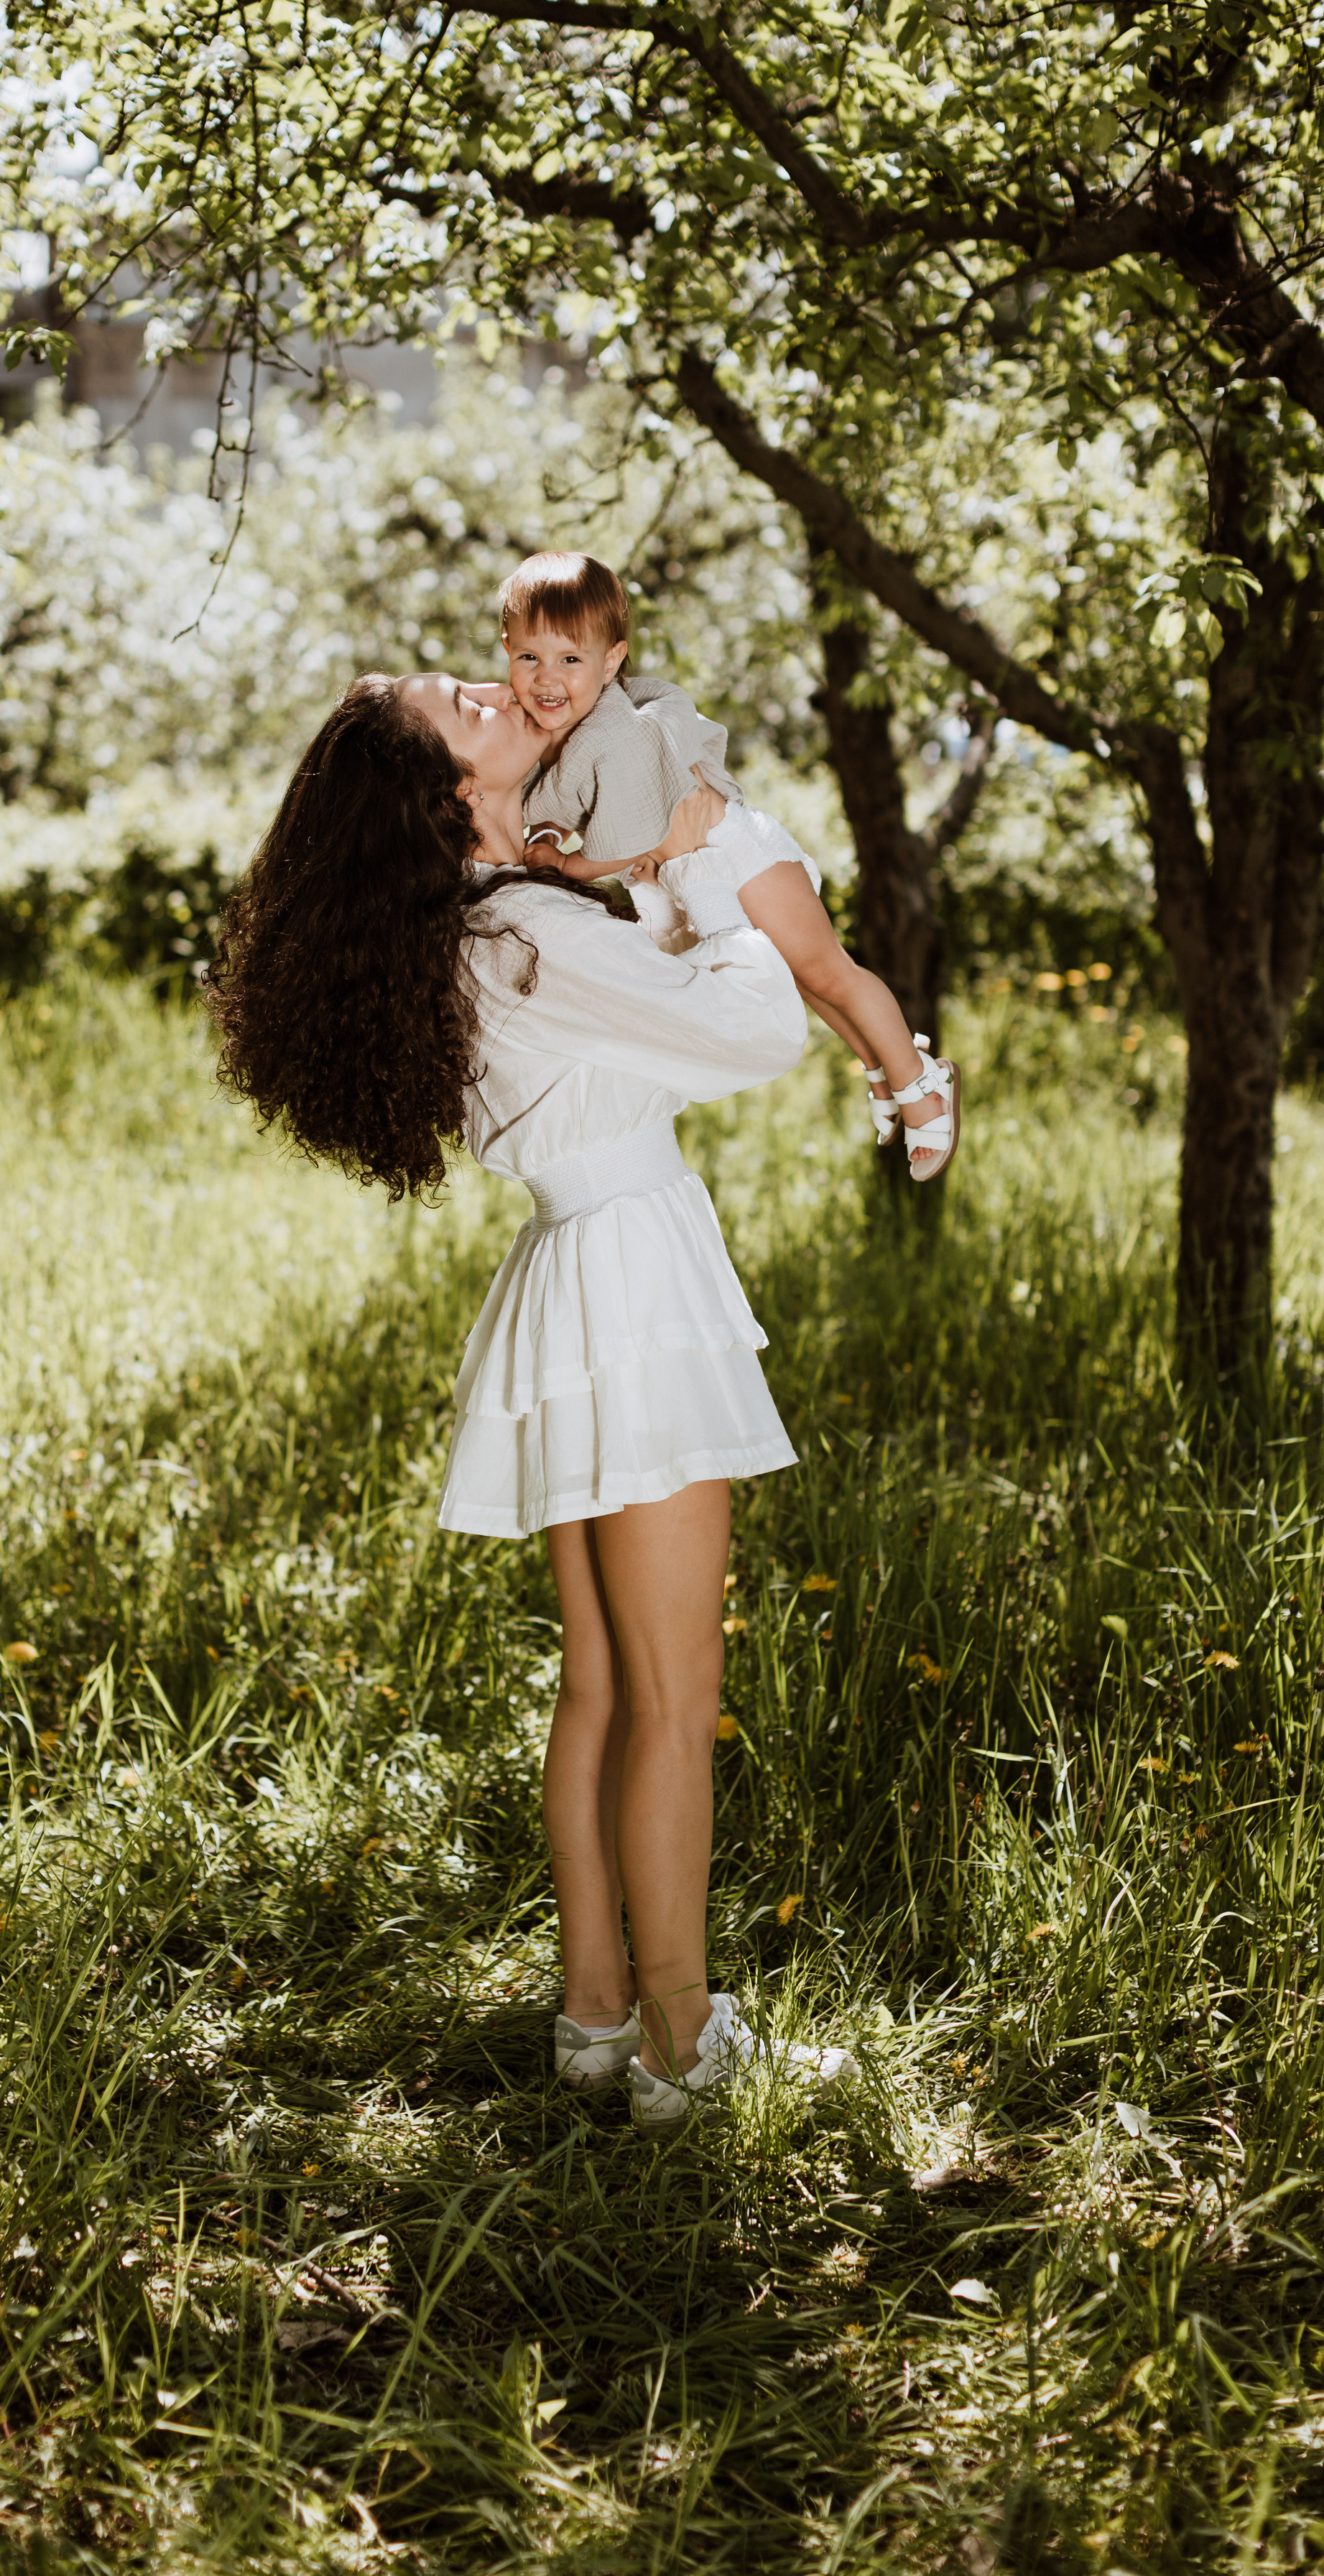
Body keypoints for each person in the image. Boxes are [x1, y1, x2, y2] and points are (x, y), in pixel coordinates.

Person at [210, 671, 844, 2133]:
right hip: (630, 1284)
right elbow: (755, 1034)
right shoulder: (531, 935)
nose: (495, 689)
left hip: (573, 1278)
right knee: (673, 1692)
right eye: (460, 704)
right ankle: (682, 2047)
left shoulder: (484, 932)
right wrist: (707, 875)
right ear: (448, 794)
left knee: (602, 1687)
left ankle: (595, 2017)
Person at [506, 551, 961, 1182]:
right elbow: (561, 798)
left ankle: (924, 1082)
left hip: (739, 854)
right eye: (530, 657)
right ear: (507, 650)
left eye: (570, 660)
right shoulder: (555, 730)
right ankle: (882, 1070)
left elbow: (627, 836)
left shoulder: (615, 730)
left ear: (611, 661)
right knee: (805, 983)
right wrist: (550, 827)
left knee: (831, 972)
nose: (547, 678)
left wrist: (567, 863)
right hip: (705, 867)